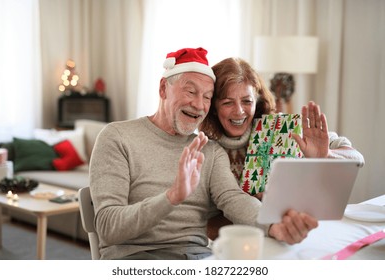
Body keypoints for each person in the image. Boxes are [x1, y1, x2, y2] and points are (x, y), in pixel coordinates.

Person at [89, 47, 318, 260]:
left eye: (207, 97)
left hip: (199, 259)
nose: (199, 105)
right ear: (162, 89)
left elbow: (234, 199)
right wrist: (171, 197)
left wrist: (275, 225)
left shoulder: (209, 150)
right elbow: (108, 228)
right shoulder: (117, 137)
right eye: (191, 91)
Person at [199, 57, 365, 240]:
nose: (239, 111)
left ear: (257, 101)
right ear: (213, 107)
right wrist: (264, 207)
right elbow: (207, 222)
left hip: (295, 233)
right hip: (238, 242)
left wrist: (326, 155)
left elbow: (357, 159)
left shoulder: (283, 128)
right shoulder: (205, 148)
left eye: (247, 101)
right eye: (227, 102)